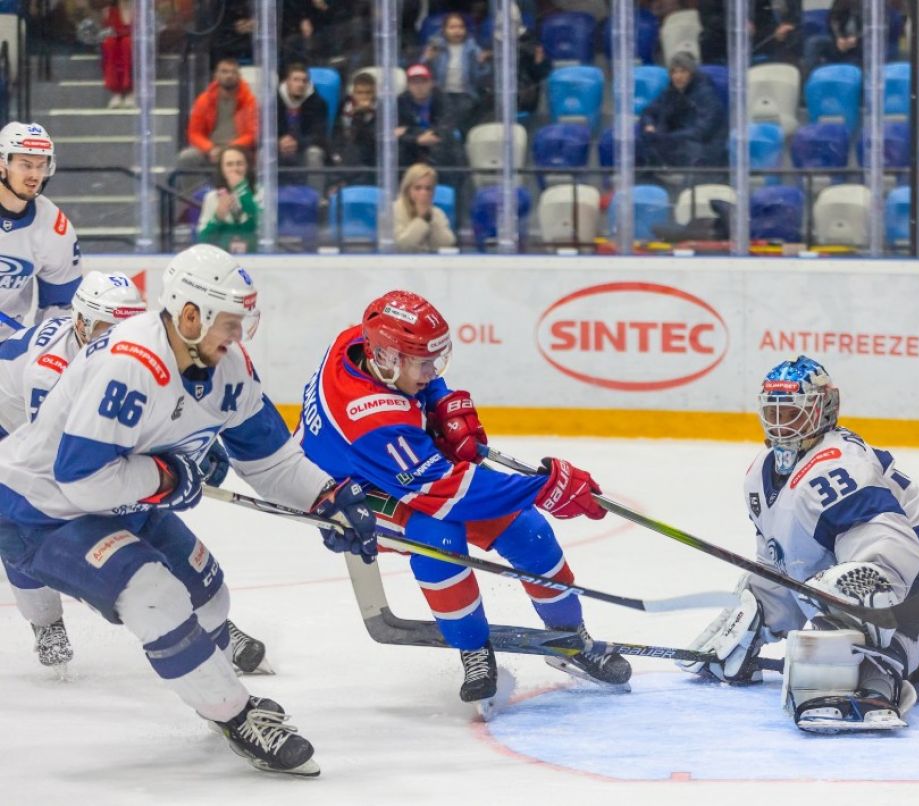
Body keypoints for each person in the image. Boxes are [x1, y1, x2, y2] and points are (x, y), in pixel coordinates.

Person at [0, 244, 377, 775]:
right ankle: (237, 716)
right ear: (190, 315)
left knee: (210, 596)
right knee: (154, 593)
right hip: (38, 510)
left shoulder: (230, 366)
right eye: (230, 323)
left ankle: (205, 673)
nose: (239, 337)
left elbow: (270, 460)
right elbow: (81, 480)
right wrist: (168, 477)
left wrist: (327, 498)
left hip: (120, 497)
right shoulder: (131, 365)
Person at [679, 357, 919, 732]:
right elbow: (782, 567)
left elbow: (891, 550)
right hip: (903, 575)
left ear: (824, 408)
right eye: (775, 412)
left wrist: (844, 615)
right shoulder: (758, 475)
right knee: (808, 609)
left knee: (871, 640)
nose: (782, 425)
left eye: (794, 413)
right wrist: (757, 615)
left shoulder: (838, 465)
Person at [296, 290, 630, 709]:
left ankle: (570, 639)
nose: (432, 370)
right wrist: (542, 488)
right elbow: (450, 494)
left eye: (436, 360)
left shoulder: (358, 342)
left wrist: (439, 402)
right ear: (386, 359)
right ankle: (473, 648)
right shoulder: (372, 419)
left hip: (398, 460)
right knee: (438, 537)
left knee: (528, 532)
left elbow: (423, 395)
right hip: (346, 493)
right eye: (423, 365)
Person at [0, 271, 144, 672]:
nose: (119, 341)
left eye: (128, 329)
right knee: (17, 520)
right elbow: (52, 456)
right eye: (107, 330)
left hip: (28, 420)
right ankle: (45, 623)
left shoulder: (125, 355)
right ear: (81, 322)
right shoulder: (48, 371)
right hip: (8, 423)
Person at [0, 122, 81, 341]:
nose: (35, 175)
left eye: (41, 166)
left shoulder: (55, 228)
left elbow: (60, 307)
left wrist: (38, 351)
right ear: (2, 164)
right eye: (25, 165)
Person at [176, 58, 259, 197]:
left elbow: (252, 133)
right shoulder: (204, 99)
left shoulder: (249, 100)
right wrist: (210, 148)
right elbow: (194, 133)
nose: (229, 75)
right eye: (224, 72)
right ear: (216, 76)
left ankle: (252, 200)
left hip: (240, 149)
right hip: (211, 150)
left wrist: (231, 149)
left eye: (233, 72)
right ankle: (193, 203)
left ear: (239, 76)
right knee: (186, 157)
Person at [636, 52, 728, 171]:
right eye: (674, 72)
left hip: (704, 147)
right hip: (676, 142)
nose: (678, 76)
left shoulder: (706, 95)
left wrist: (667, 137)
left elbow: (702, 130)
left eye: (683, 71)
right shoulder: (671, 92)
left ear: (691, 74)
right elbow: (649, 111)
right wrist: (649, 124)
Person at [422, 12, 491, 137]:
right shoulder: (435, 47)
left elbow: (480, 77)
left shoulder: (473, 48)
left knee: (462, 111)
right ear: (444, 30)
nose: (457, 31)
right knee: (443, 112)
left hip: (465, 94)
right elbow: (423, 71)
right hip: (441, 94)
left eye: (460, 27)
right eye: (452, 27)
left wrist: (481, 64)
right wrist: (427, 59)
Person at [396, 64, 468, 181]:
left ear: (431, 83)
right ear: (408, 86)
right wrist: (417, 140)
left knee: (450, 145)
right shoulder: (400, 103)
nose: (419, 86)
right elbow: (394, 133)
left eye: (423, 82)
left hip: (440, 149)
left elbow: (446, 125)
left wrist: (410, 132)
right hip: (411, 152)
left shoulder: (443, 99)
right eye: (414, 82)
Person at [276, 63, 329, 194]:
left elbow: (320, 135)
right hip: (279, 148)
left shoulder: (318, 103)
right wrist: (279, 142)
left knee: (314, 154)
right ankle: (264, 198)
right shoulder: (273, 101)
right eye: (296, 80)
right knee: (264, 153)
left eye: (304, 81)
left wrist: (297, 142)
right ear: (287, 82)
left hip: (304, 148)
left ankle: (316, 198)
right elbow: (264, 132)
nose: (300, 84)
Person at [197, 145, 260, 254]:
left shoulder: (259, 193)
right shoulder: (212, 197)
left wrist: (242, 189)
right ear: (221, 169)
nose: (235, 169)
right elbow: (203, 239)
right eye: (229, 164)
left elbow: (257, 225)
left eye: (239, 164)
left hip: (255, 257)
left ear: (247, 166)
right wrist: (217, 217)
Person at [393, 163, 456, 252]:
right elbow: (403, 246)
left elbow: (447, 244)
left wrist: (430, 218)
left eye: (428, 188)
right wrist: (421, 219)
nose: (423, 193)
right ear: (407, 189)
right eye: (417, 188)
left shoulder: (437, 213)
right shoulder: (394, 210)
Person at [331, 70, 378, 188]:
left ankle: (342, 183)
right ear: (353, 93)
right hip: (344, 155)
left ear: (375, 93)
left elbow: (369, 139)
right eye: (360, 93)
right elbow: (336, 132)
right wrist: (335, 153)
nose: (364, 97)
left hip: (370, 159)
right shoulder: (344, 106)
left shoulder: (381, 110)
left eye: (368, 93)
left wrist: (360, 115)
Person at [804, 0, 865, 72]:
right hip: (839, 41)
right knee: (813, 42)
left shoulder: (870, 5)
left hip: (860, 43)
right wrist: (839, 38)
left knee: (869, 47)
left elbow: (871, 28)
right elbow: (833, 20)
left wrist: (856, 38)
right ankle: (813, 76)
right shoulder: (840, 2)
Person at [100, 1, 133, 108]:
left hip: (133, 44)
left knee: (127, 43)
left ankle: (130, 90)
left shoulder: (141, 11)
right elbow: (105, 32)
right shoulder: (108, 11)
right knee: (110, 43)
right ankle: (116, 91)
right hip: (116, 44)